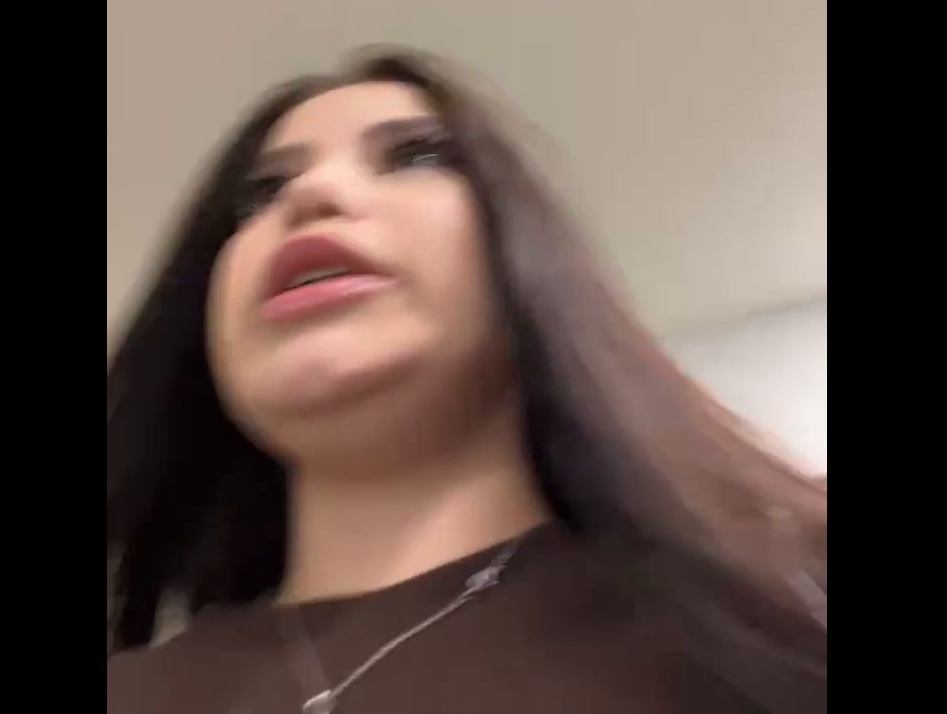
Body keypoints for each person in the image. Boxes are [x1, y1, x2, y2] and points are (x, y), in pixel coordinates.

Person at [107, 49, 826, 713]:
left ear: (527, 262)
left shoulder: (766, 622)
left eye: (415, 155)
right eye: (260, 195)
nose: (313, 193)